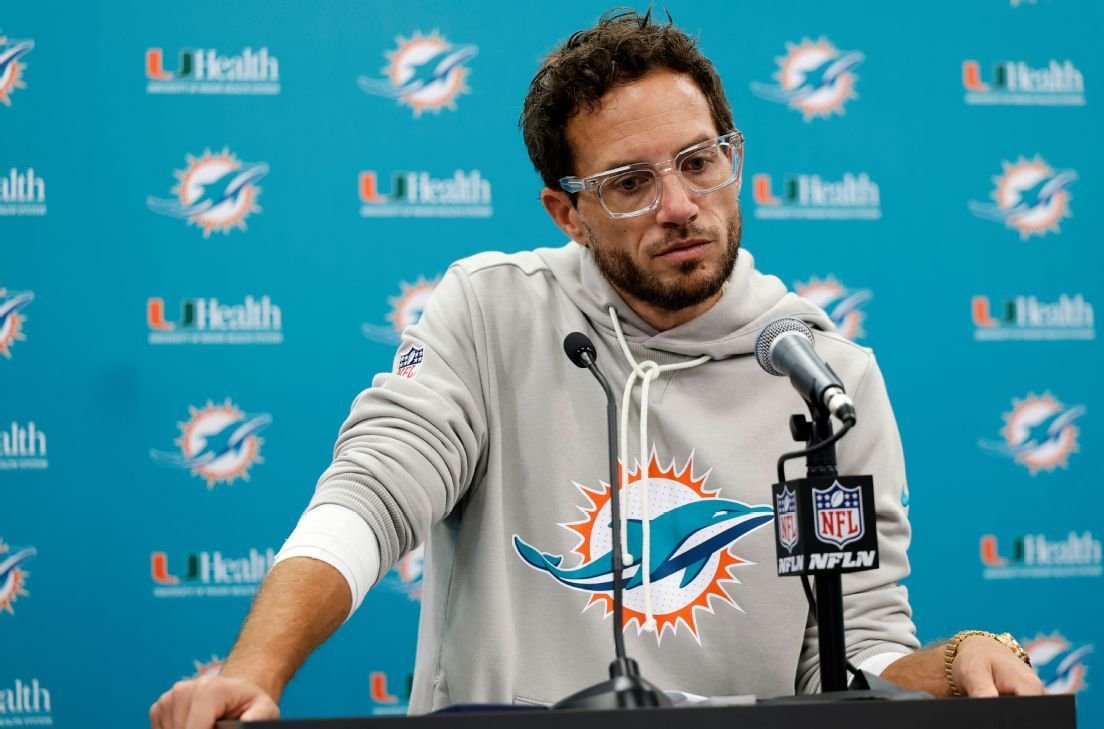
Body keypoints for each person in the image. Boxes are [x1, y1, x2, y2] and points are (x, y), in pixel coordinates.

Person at [149, 9, 1043, 727]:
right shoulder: (492, 312)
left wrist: (957, 663)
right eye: (630, 182)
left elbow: (851, 656)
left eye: (699, 161)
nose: (680, 205)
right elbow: (372, 493)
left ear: (733, 156)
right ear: (567, 213)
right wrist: (254, 670)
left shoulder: (824, 378)